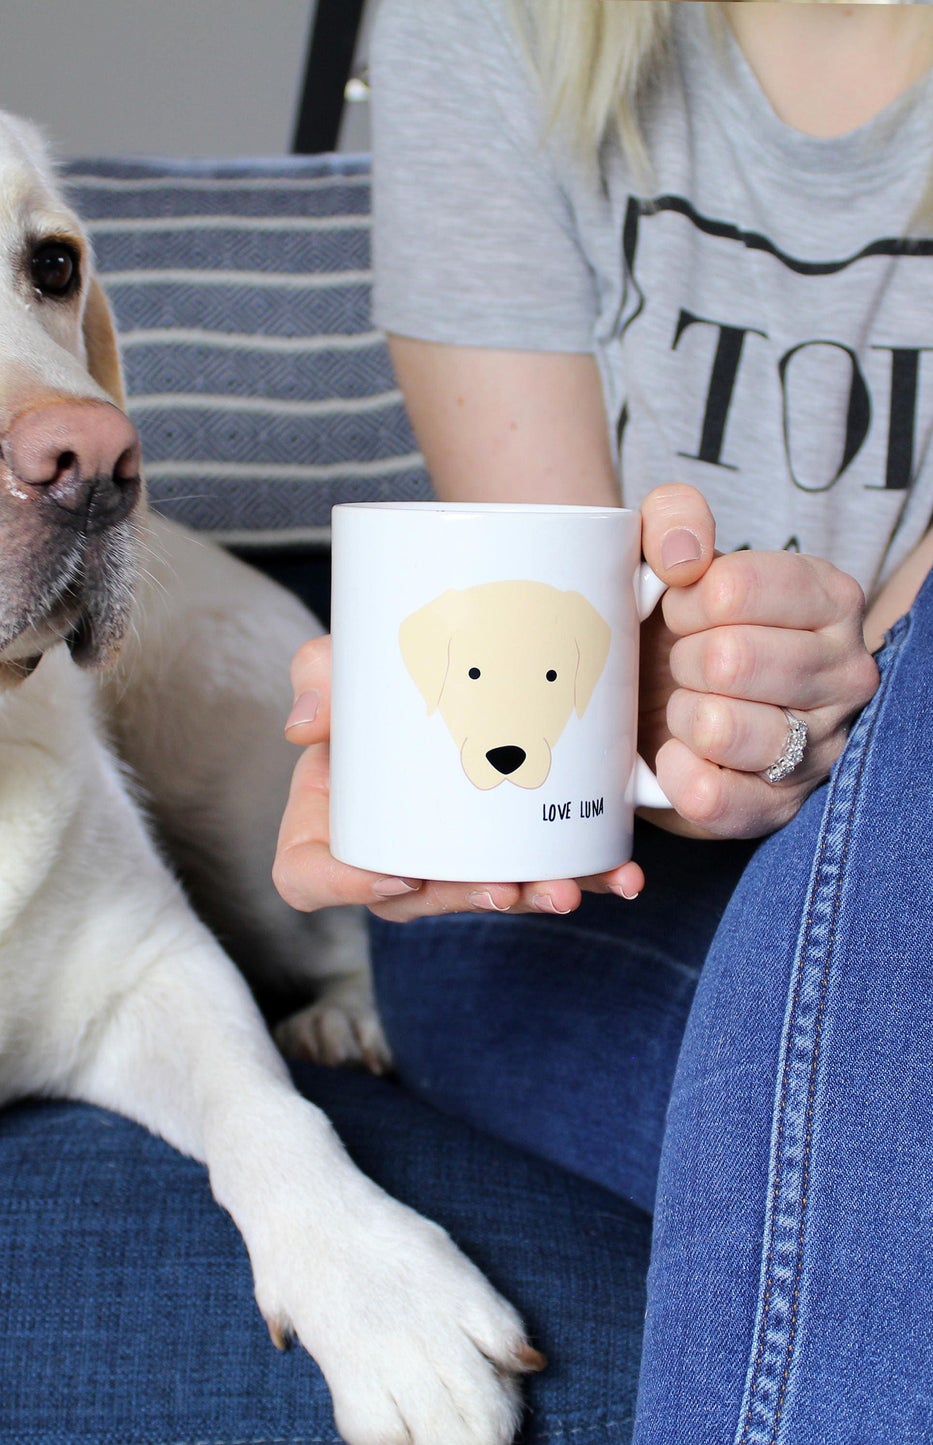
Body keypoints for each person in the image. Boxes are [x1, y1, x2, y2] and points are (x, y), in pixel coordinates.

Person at [274, 1, 933, 1441]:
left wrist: (839, 702)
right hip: (596, 889)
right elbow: (542, 596)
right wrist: (662, 698)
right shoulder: (478, 22)